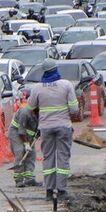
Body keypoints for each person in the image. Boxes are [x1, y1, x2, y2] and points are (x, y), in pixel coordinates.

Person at [27, 60, 79, 201]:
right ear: (56, 69)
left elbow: (30, 108)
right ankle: (61, 190)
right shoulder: (66, 85)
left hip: (45, 128)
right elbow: (74, 109)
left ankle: (49, 191)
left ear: (44, 71)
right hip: (63, 127)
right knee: (63, 158)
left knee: (48, 158)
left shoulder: (37, 88)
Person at [8, 88, 39, 187]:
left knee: (31, 154)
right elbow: (21, 131)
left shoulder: (41, 112)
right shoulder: (25, 112)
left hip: (29, 134)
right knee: (20, 152)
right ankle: (19, 180)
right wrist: (26, 144)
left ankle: (29, 178)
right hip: (16, 133)